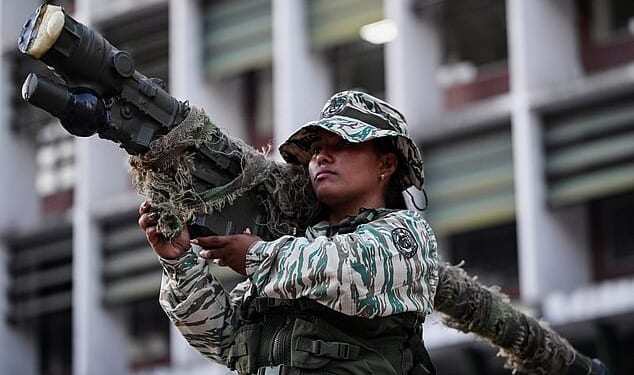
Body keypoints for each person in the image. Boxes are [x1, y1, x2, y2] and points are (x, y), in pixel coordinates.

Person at [138, 91, 439, 375]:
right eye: (317, 148)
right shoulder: (293, 249)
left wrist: (256, 256)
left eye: (342, 144)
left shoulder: (407, 235)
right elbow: (223, 339)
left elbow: (348, 270)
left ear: (386, 163)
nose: (321, 157)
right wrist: (180, 264)